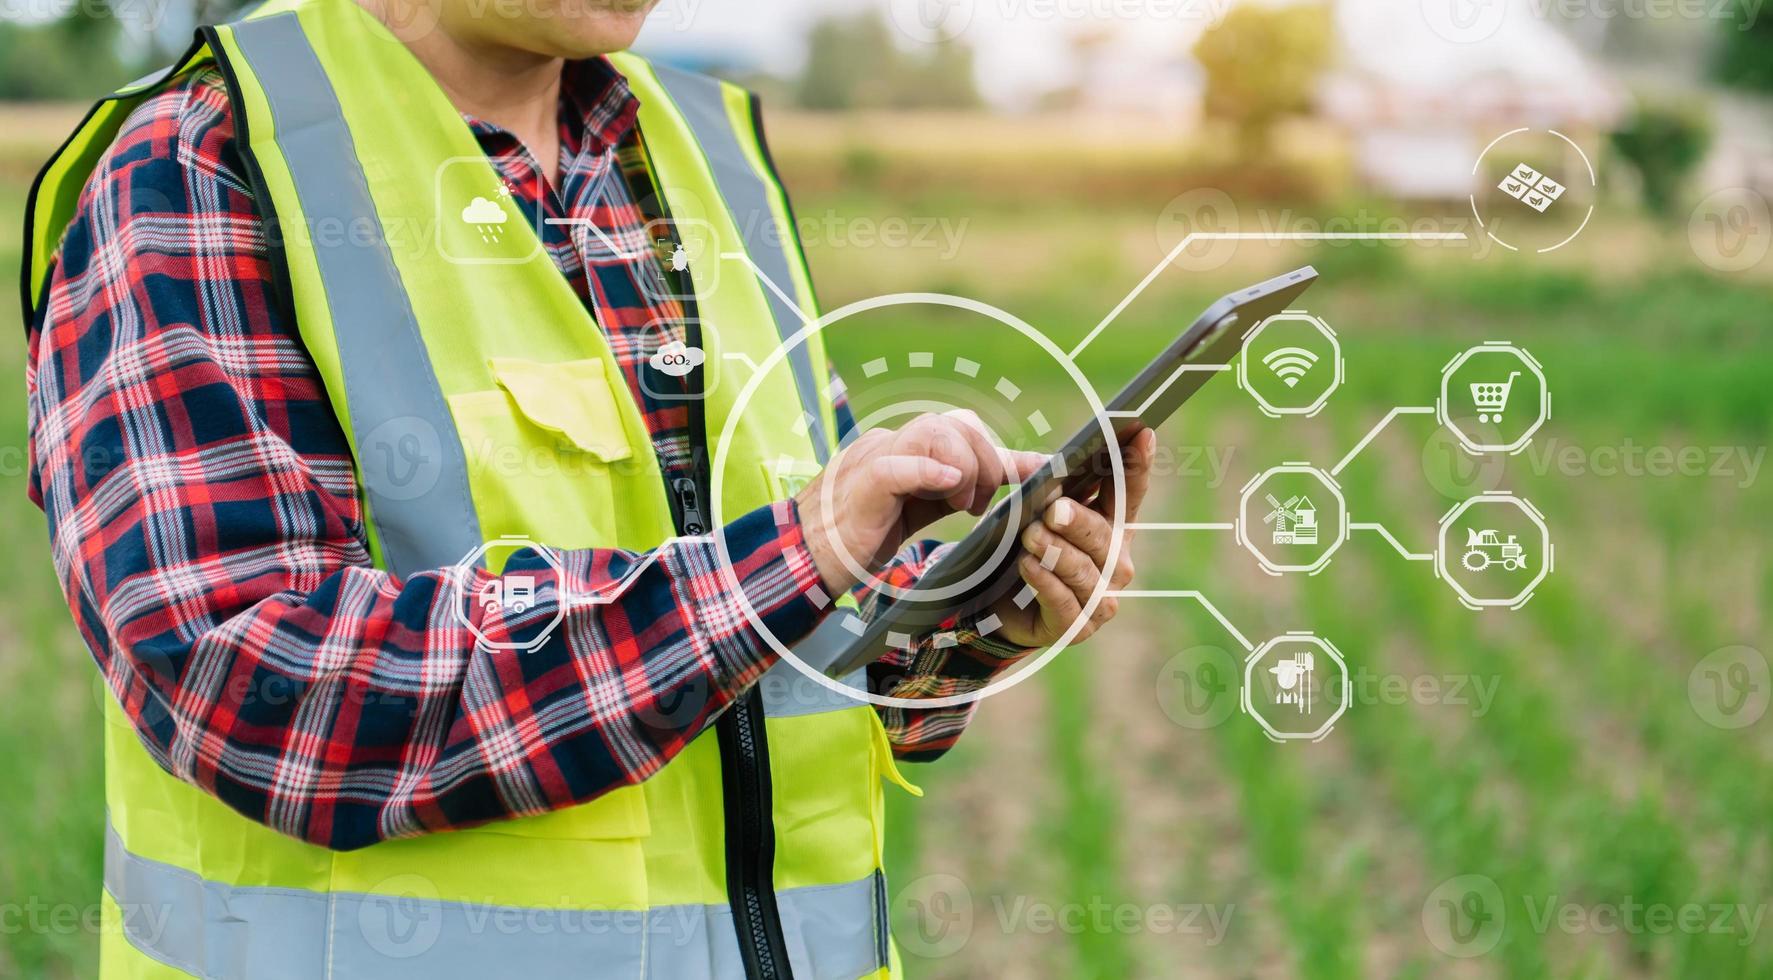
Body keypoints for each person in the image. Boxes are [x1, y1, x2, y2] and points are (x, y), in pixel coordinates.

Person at [20, 0, 1153, 976]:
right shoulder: (204, 163)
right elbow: (252, 680)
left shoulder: (708, 153)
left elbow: (795, 631)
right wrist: (794, 558)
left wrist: (963, 611)